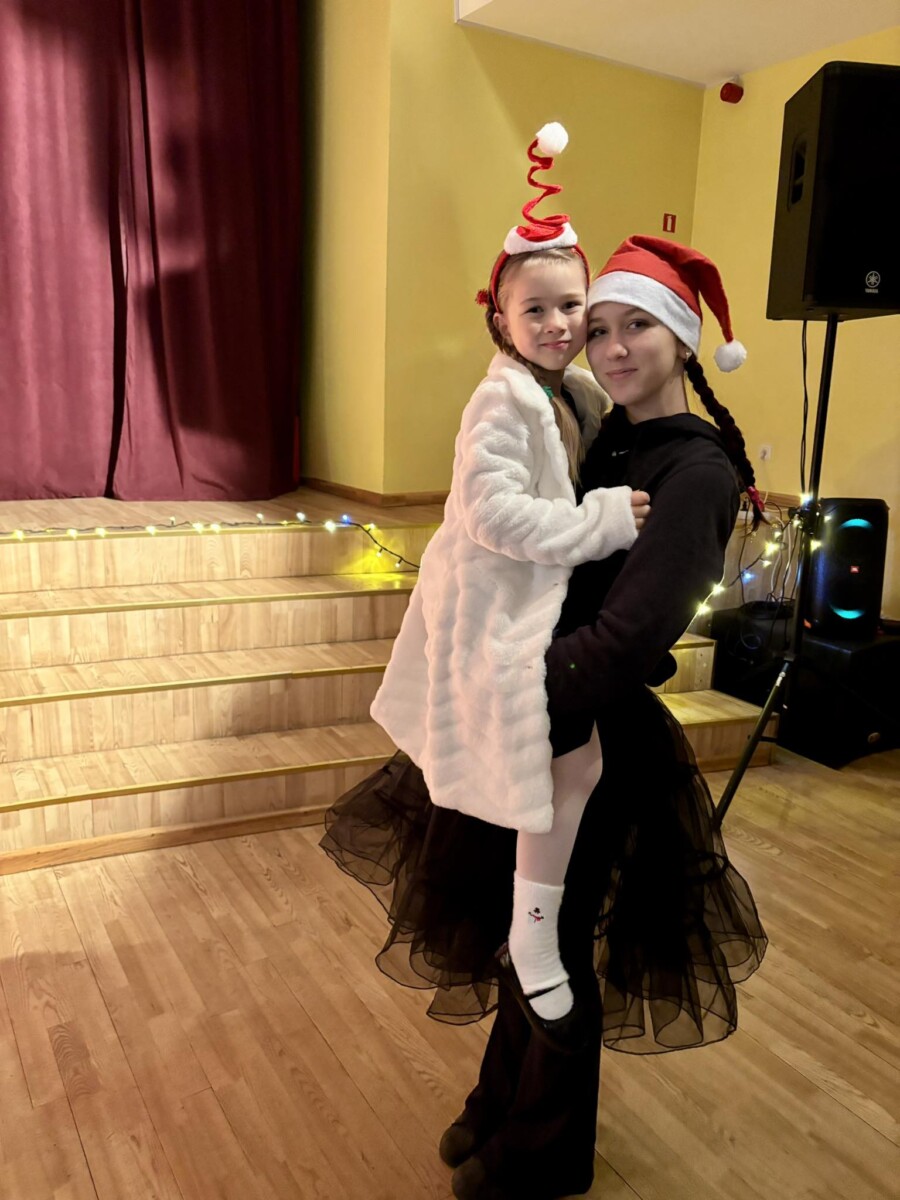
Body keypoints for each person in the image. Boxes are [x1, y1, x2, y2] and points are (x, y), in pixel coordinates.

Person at [322, 226, 767, 1197]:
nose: (612, 345)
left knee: (552, 945)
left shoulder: (694, 473)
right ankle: (501, 1104)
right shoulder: (604, 431)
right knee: (521, 934)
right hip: (526, 709)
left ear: (683, 339)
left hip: (578, 722)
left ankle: (544, 1152)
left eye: (637, 326)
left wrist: (512, 696)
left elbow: (628, 639)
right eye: (599, 327)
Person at [361, 122, 650, 1040]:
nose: (560, 325)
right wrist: (601, 523)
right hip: (490, 612)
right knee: (559, 765)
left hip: (531, 602)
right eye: (537, 311)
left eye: (573, 306)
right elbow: (496, 516)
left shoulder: (575, 393)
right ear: (501, 321)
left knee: (577, 765)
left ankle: (532, 918)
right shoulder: (501, 398)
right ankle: (532, 933)